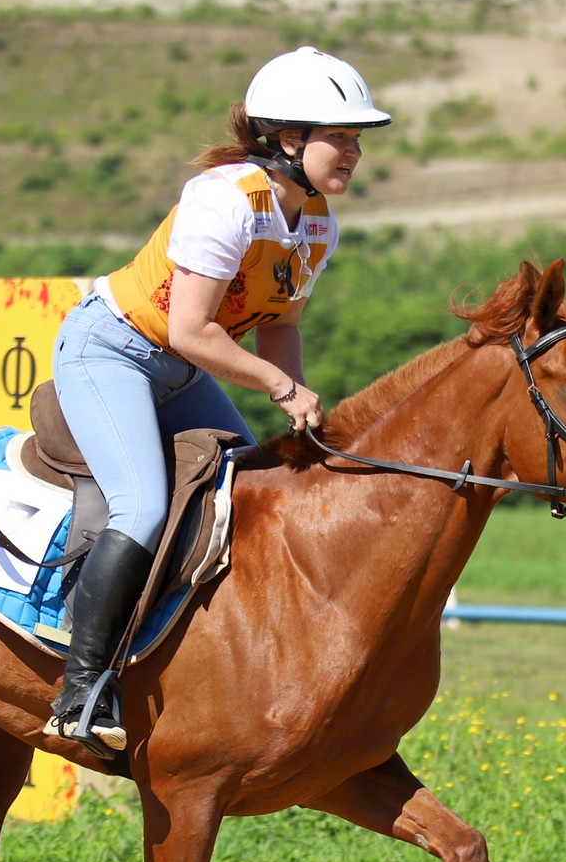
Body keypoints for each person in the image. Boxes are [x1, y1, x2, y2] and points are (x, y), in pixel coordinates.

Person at [44, 46, 392, 755]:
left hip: (181, 371)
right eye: (342, 137)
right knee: (140, 505)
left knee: (254, 487)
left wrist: (291, 413)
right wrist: (281, 386)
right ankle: (80, 692)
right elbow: (191, 328)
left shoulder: (317, 220)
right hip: (112, 350)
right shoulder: (226, 198)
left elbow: (281, 325)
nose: (354, 152)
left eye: (358, 139)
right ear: (289, 138)